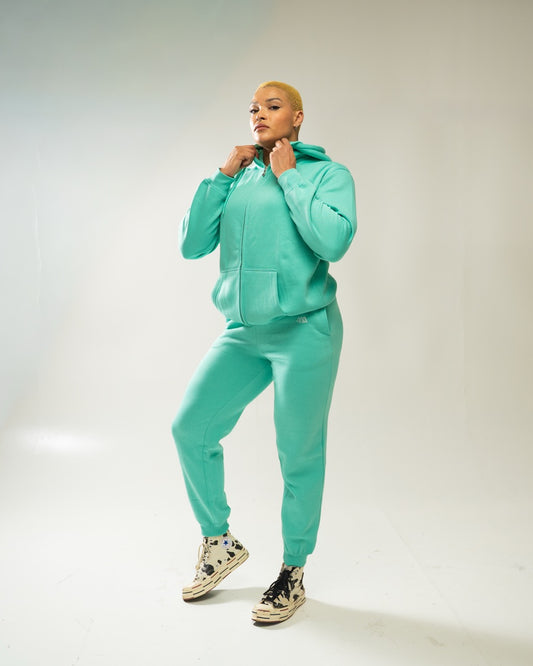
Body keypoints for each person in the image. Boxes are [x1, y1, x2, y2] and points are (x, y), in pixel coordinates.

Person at [172, 80, 356, 623]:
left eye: (273, 106)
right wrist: (222, 175)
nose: (259, 114)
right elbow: (191, 245)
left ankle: (292, 571)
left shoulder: (327, 174)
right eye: (253, 108)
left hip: (305, 329)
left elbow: (334, 242)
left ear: (297, 117)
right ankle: (219, 543)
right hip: (244, 331)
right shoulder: (238, 178)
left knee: (298, 453)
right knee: (190, 428)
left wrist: (290, 177)